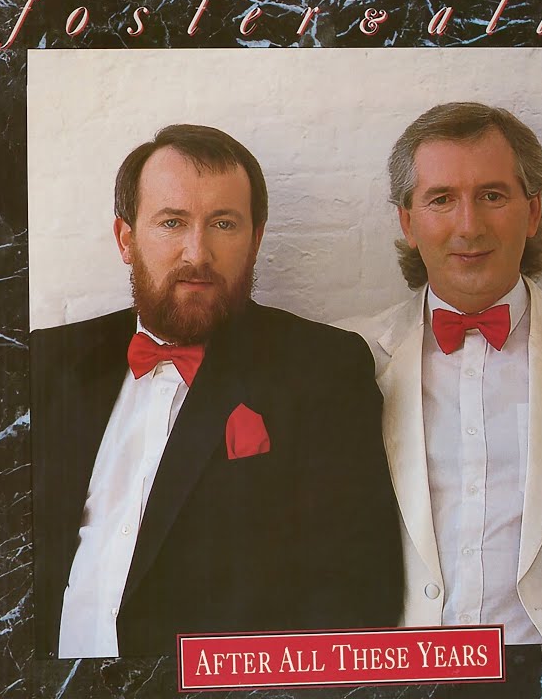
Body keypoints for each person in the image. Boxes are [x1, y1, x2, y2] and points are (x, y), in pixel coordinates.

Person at [31, 124, 402, 658]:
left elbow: (355, 594)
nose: (197, 253)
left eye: (223, 224)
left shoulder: (322, 369)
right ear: (125, 239)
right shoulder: (46, 362)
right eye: (172, 222)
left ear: (256, 238)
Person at [339, 102, 542, 644]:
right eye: (441, 199)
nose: (469, 226)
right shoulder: (344, 363)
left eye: (492, 196)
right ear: (408, 223)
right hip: (407, 671)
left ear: (533, 212)